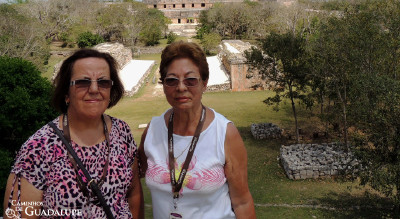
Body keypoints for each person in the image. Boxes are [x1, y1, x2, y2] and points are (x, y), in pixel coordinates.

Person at [3, 48, 144, 218]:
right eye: (83, 82)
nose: (94, 89)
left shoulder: (122, 132)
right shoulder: (38, 148)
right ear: (66, 93)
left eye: (103, 82)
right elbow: (19, 214)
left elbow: (133, 194)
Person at [139, 41, 256, 219]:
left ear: (204, 83)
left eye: (190, 80)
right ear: (164, 85)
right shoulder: (153, 131)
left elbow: (242, 202)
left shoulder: (224, 133)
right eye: (171, 80)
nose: (181, 87)